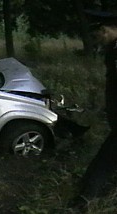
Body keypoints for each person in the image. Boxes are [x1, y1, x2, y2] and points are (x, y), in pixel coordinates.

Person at [76, 11, 117, 201]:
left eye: (98, 34)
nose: (98, 39)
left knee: (104, 161)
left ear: (106, 29)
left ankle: (84, 198)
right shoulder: (112, 49)